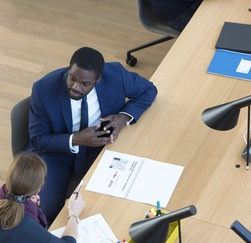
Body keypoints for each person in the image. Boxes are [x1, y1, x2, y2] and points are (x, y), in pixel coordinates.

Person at [27, 47, 157, 226]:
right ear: (69, 69)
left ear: (98, 79)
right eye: (72, 78)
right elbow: (38, 139)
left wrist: (122, 118)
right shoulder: (43, 88)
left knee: (112, 202)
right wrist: (76, 139)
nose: (75, 87)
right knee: (45, 209)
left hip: (100, 147)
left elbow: (149, 90)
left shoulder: (116, 74)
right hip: (58, 151)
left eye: (85, 84)